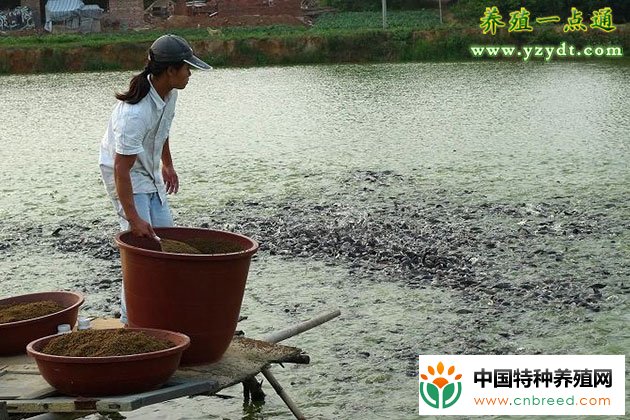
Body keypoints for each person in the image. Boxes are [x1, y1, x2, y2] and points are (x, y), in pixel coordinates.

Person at [99, 34, 211, 324]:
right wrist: (133, 218)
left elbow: (161, 132)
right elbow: (121, 169)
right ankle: (131, 322)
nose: (190, 74)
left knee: (165, 241)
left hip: (148, 168)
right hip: (127, 175)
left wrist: (168, 165)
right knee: (141, 248)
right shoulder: (134, 114)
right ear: (170, 71)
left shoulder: (168, 94)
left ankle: (162, 314)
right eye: (187, 68)